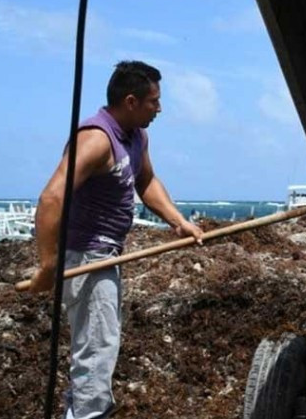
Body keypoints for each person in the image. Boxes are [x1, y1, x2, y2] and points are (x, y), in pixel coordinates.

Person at [28, 61, 203, 419]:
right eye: (154, 101)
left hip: (107, 253)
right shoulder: (94, 140)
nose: (160, 108)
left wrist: (178, 222)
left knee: (96, 348)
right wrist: (49, 264)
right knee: (96, 351)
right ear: (130, 101)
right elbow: (50, 199)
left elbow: (147, 182)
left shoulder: (137, 136)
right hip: (87, 258)